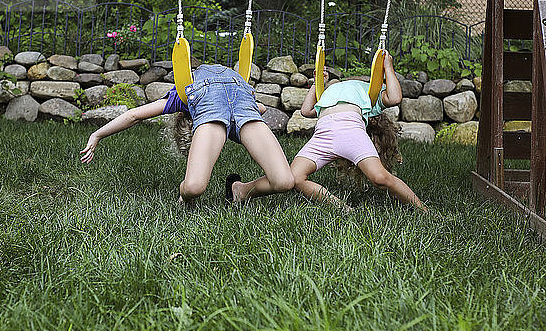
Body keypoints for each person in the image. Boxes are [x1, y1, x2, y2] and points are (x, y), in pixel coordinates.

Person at [80, 63, 294, 203]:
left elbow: (134, 115)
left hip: (244, 111)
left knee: (284, 181)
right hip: (227, 112)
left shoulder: (184, 92)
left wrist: (97, 135)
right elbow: (262, 109)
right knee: (192, 188)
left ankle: (242, 191)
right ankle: (186, 197)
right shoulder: (187, 97)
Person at [290, 51, 427, 212]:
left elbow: (395, 98)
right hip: (322, 135)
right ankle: (344, 209)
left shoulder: (372, 95)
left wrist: (388, 67)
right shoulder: (326, 95)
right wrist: (317, 83)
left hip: (351, 131)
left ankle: (424, 210)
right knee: (294, 178)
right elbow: (306, 111)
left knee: (380, 178)